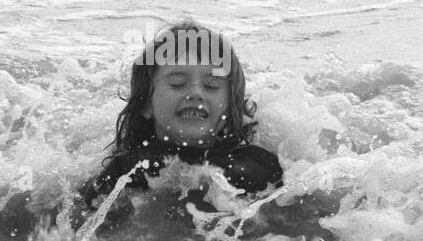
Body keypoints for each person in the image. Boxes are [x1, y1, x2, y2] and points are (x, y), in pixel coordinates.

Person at [73, 21, 282, 229]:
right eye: (178, 84)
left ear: (230, 107)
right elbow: (76, 226)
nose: (196, 93)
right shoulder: (127, 170)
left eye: (211, 86)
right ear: (146, 103)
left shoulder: (258, 166)